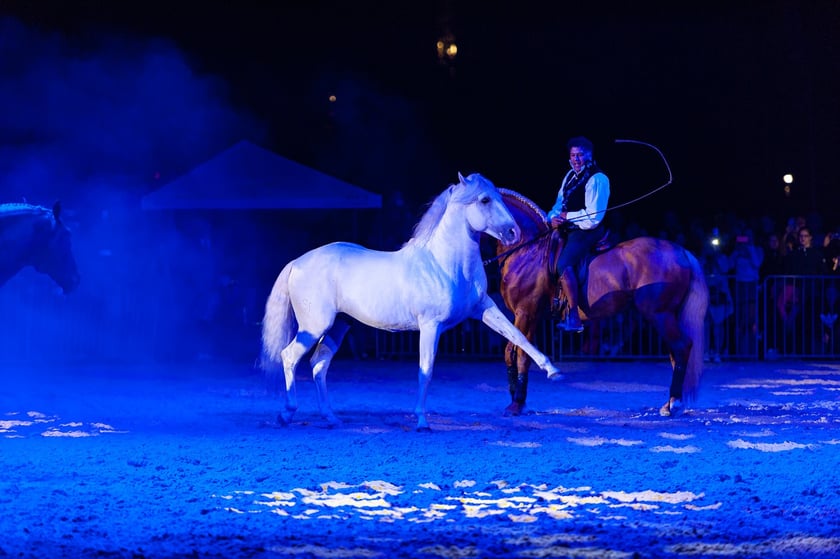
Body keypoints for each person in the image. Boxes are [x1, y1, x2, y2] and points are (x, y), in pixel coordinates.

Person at [547, 136, 611, 332]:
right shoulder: (569, 176)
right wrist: (553, 218)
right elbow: (559, 204)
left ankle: (574, 316)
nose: (576, 159)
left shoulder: (597, 178)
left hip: (587, 229)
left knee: (563, 263)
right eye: (573, 155)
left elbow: (593, 218)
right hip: (569, 225)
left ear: (589, 156)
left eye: (580, 155)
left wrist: (567, 217)